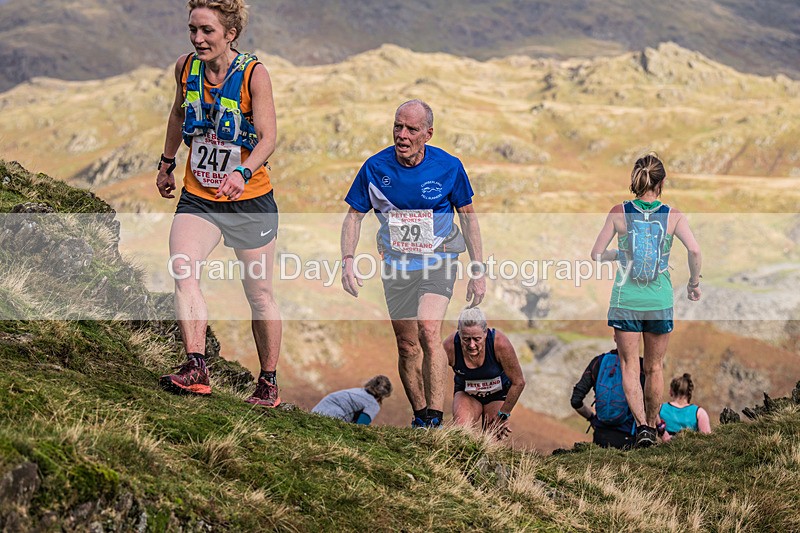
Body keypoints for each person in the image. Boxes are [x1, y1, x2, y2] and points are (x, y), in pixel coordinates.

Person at [156, 0, 283, 407]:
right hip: (200, 196)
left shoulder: (253, 74)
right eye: (192, 29)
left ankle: (267, 382)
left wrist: (241, 172)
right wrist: (166, 162)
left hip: (249, 200)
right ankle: (196, 366)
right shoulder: (186, 68)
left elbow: (267, 138)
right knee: (183, 268)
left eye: (207, 31)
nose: (197, 38)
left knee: (259, 293)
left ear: (230, 34)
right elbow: (178, 114)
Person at [341, 99, 486, 428]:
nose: (402, 135)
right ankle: (421, 416)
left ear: (428, 134)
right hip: (397, 266)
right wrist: (347, 260)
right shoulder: (375, 168)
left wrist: (478, 269)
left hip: (440, 259)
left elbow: (469, 218)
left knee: (428, 329)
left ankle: (435, 418)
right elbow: (353, 217)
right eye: (397, 126)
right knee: (407, 346)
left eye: (411, 129)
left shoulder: (449, 167)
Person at [590, 152, 702, 448]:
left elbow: (597, 254)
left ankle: (640, 427)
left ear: (636, 179)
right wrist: (693, 283)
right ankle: (652, 428)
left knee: (630, 365)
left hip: (626, 297)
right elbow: (694, 252)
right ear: (662, 182)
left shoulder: (619, 211)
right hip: (659, 300)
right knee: (655, 366)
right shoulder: (673, 215)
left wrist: (622, 254)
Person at [443, 308, 525, 440]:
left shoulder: (499, 343)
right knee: (461, 436)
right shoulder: (450, 346)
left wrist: (504, 414)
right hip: (467, 394)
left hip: (496, 395)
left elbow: (519, 382)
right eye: (466, 339)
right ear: (458, 332)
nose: (472, 345)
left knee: (492, 440)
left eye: (477, 339)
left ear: (486, 332)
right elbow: (431, 373)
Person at [571, 348, 644, 449]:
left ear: (616, 337)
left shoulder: (598, 362)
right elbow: (649, 404)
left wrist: (592, 418)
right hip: (628, 437)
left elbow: (575, 400)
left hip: (600, 435)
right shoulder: (641, 366)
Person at [311, 375, 393, 425]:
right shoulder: (373, 404)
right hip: (330, 421)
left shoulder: (357, 391)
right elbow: (360, 427)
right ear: (382, 396)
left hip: (313, 415)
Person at [659, 373, 711, 442]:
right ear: (689, 392)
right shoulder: (699, 412)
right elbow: (707, 439)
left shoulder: (659, 409)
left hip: (663, 448)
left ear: (671, 391)